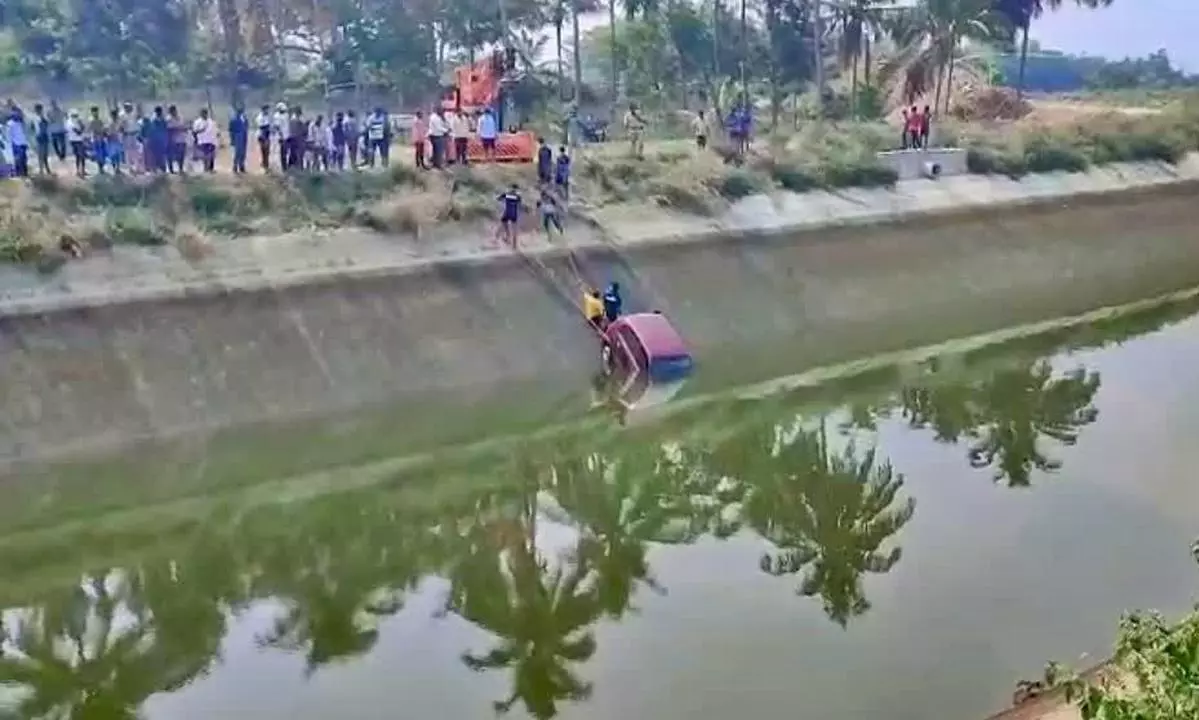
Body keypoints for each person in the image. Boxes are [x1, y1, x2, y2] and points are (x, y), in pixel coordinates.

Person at [193, 108, 218, 173]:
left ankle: (211, 168)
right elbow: (195, 131)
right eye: (203, 113)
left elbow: (215, 130)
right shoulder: (197, 122)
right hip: (203, 141)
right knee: (205, 155)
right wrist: (201, 130)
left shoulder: (211, 121)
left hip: (211, 141)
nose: (204, 115)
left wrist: (216, 136)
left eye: (205, 113)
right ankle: (205, 168)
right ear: (201, 114)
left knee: (211, 155)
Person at [7, 108, 29, 178]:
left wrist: (26, 143)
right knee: (19, 159)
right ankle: (20, 173)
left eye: (18, 113)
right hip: (16, 144)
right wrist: (12, 143)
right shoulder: (10, 123)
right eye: (15, 113)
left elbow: (24, 133)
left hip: (23, 143)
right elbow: (9, 135)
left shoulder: (21, 122)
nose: (17, 114)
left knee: (24, 158)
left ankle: (24, 173)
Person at [167, 105, 187, 173]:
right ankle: (171, 170)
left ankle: (180, 169)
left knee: (181, 155)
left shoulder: (180, 117)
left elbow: (184, 126)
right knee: (172, 156)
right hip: (173, 140)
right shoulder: (168, 119)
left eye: (174, 111)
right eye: (172, 111)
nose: (174, 112)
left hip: (182, 139)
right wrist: (177, 128)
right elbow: (169, 128)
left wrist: (183, 128)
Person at [229, 105, 249, 174]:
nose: (241, 112)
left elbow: (247, 126)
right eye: (239, 111)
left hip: (244, 135)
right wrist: (232, 139)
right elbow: (231, 130)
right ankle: (235, 166)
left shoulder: (244, 118)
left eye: (242, 111)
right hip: (237, 136)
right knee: (238, 152)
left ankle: (241, 166)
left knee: (243, 152)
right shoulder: (233, 119)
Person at [87, 106, 108, 174]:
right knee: (98, 154)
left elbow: (104, 128)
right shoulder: (91, 120)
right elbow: (90, 129)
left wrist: (104, 133)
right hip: (95, 139)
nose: (95, 113)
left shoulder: (101, 119)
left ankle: (102, 166)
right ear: (92, 112)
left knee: (103, 154)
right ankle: (100, 168)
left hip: (101, 139)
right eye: (94, 111)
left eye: (96, 111)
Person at [66, 109, 86, 177]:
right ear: (71, 116)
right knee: (80, 156)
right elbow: (79, 132)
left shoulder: (75, 121)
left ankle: (81, 170)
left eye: (76, 115)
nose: (76, 117)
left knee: (80, 156)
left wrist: (81, 124)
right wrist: (81, 125)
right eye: (75, 115)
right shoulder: (70, 123)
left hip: (78, 140)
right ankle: (80, 171)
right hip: (75, 141)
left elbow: (82, 128)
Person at [32, 104, 51, 175]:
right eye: (38, 109)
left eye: (39, 109)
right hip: (40, 137)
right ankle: (42, 170)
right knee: (41, 155)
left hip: (44, 136)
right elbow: (33, 127)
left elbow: (47, 123)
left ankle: (46, 169)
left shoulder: (43, 117)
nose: (38, 111)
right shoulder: (35, 117)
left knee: (45, 154)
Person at [105, 108, 124, 174]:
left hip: (117, 140)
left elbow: (121, 130)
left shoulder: (118, 122)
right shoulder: (110, 123)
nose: (115, 116)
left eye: (115, 115)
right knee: (113, 155)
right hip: (112, 140)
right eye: (114, 115)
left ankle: (117, 168)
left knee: (117, 155)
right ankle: (115, 168)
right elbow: (107, 132)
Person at [273, 102, 290, 172]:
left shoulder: (286, 115)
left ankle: (285, 166)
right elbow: (277, 127)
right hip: (281, 137)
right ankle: (283, 167)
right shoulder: (276, 116)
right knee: (282, 152)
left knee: (286, 152)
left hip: (287, 135)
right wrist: (281, 136)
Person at [255, 104, 272, 171]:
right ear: (263, 110)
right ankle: (264, 165)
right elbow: (261, 127)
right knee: (264, 151)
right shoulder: (260, 117)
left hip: (267, 135)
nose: (268, 111)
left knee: (267, 151)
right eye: (266, 109)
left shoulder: (267, 116)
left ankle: (265, 164)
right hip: (262, 135)